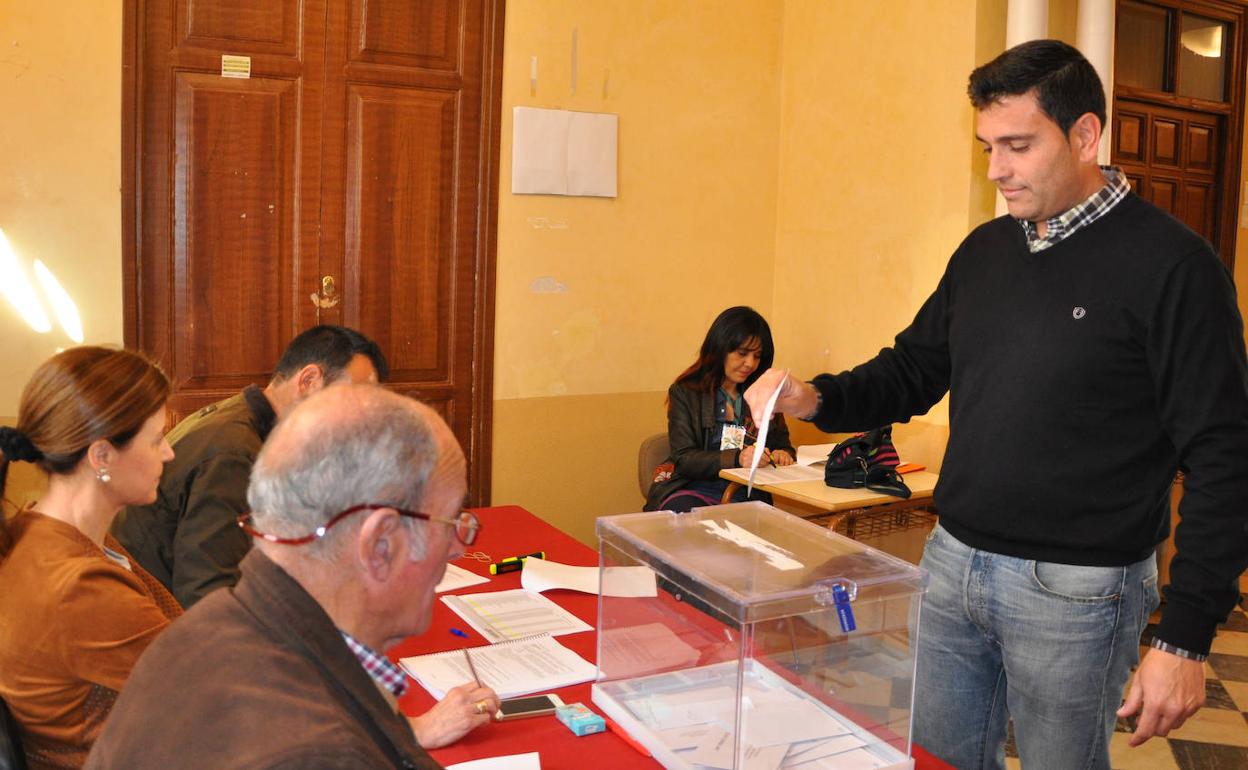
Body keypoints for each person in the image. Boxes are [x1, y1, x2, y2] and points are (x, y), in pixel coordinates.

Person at [745, 40, 1248, 770]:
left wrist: (1185, 637)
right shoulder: (985, 251)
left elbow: (1226, 456)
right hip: (953, 562)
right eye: (987, 146)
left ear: (1084, 135)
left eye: (1016, 146)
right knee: (940, 760)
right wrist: (816, 396)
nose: (995, 170)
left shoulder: (1176, 267)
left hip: (1076, 591)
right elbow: (915, 368)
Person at [86, 384, 499, 769]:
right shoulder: (320, 751)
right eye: (450, 524)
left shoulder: (216, 621)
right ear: (380, 545)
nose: (458, 548)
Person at [112, 324, 388, 608]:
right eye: (355, 399)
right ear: (308, 380)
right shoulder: (234, 453)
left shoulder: (248, 424)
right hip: (162, 623)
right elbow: (208, 595)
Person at [0, 347, 182, 769]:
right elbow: (209, 679)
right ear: (101, 456)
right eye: (156, 438)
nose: (169, 453)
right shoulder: (78, 586)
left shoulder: (37, 533)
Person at [645, 306, 796, 512]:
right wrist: (738, 457)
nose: (750, 363)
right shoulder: (686, 391)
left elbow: (784, 446)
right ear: (720, 348)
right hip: (692, 488)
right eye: (742, 353)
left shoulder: (764, 393)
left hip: (745, 493)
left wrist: (781, 454)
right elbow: (684, 459)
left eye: (757, 356)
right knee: (689, 521)